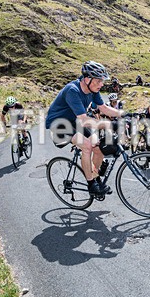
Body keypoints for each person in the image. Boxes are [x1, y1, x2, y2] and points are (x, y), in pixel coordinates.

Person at [45, 61, 123, 197]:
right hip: (58, 124)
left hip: (73, 121)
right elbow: (84, 120)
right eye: (98, 81)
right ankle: (91, 184)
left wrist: (124, 114)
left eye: (102, 81)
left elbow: (104, 108)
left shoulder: (93, 90)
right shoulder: (72, 90)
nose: (101, 84)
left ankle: (96, 177)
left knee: (98, 147)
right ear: (87, 79)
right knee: (87, 146)